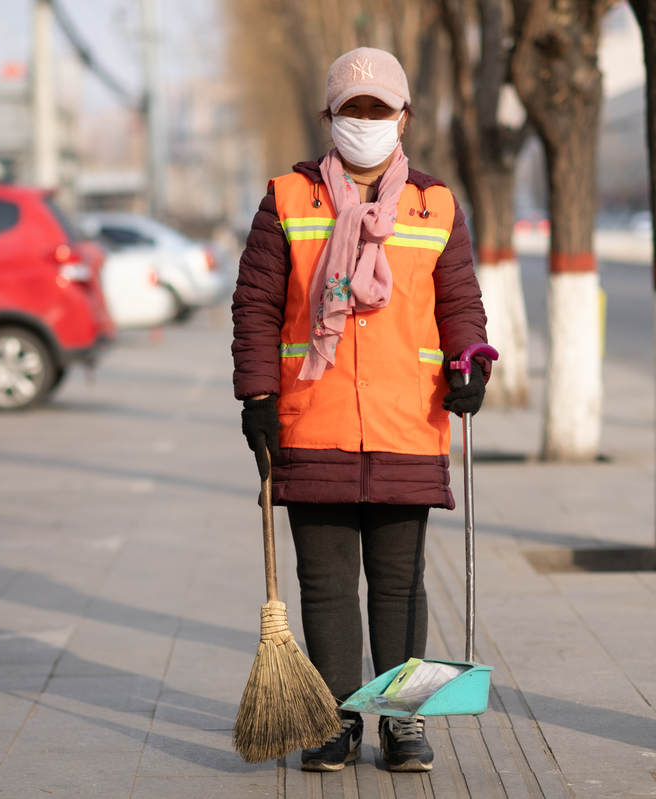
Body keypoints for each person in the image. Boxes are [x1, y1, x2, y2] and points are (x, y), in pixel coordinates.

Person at [231, 46, 490, 773]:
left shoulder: (435, 205)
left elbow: (460, 302)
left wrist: (471, 360)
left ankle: (403, 721)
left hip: (409, 421)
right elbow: (255, 307)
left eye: (380, 109)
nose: (367, 121)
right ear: (330, 117)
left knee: (401, 582)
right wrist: (257, 396)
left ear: (403, 117)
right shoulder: (287, 198)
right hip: (312, 419)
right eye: (354, 109)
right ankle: (336, 718)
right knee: (326, 583)